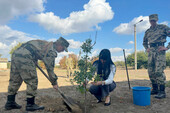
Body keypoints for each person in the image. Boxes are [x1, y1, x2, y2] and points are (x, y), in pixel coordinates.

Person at [5, 37, 69, 111]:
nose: (62, 51)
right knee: (32, 80)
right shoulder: (51, 51)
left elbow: (32, 48)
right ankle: (30, 105)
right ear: (59, 45)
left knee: (15, 79)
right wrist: (54, 82)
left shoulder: (46, 44)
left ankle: (10, 103)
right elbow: (50, 69)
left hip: (17, 53)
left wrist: (34, 59)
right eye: (63, 48)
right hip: (26, 56)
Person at [143, 14, 170, 99]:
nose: (152, 22)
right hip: (151, 52)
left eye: (154, 20)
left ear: (157, 20)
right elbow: (144, 42)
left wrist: (167, 47)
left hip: (159, 50)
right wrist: (147, 48)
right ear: (149, 21)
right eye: (151, 20)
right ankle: (155, 89)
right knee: (150, 71)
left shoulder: (163, 27)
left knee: (158, 71)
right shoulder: (148, 31)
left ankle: (162, 92)